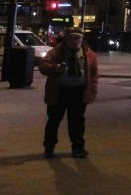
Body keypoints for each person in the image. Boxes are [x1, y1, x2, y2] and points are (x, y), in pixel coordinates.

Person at [38, 27, 99, 159]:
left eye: (77, 38)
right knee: (54, 120)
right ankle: (49, 146)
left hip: (79, 91)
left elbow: (94, 75)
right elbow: (43, 66)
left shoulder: (89, 54)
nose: (74, 41)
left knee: (77, 121)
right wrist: (55, 68)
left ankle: (78, 147)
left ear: (82, 40)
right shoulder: (57, 52)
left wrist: (92, 91)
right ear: (66, 39)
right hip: (59, 90)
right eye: (71, 38)